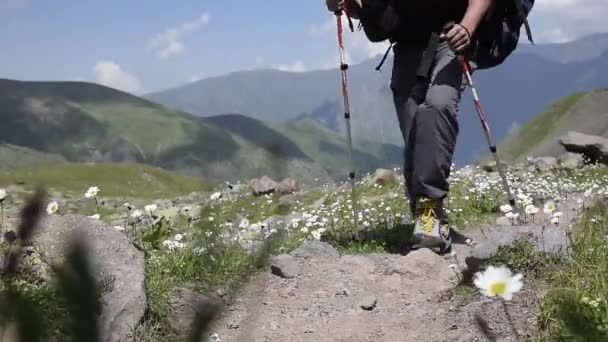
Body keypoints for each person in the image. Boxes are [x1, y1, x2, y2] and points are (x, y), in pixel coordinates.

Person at [325, 0, 494, 254]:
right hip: (406, 49)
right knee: (415, 132)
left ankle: (429, 217)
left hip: (450, 39)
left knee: (437, 106)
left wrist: (468, 27)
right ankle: (427, 220)